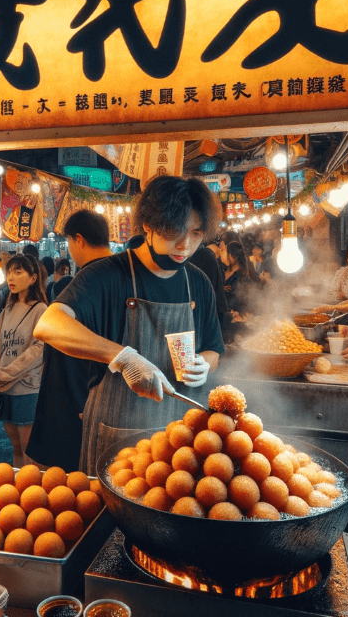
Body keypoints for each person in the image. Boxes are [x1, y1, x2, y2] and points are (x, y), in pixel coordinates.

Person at [33, 175, 224, 475]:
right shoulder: (106, 274)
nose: (185, 245)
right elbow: (48, 324)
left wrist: (205, 365)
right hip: (118, 436)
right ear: (148, 225)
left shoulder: (197, 282)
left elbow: (213, 348)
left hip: (181, 443)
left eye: (196, 233)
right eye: (174, 231)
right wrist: (122, 357)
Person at [28, 209, 113, 470]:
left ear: (78, 240)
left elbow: (49, 327)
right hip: (85, 391)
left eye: (68, 242)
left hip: (77, 393)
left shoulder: (92, 276)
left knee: (71, 475)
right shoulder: (116, 274)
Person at [0, 254, 48, 467]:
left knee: (29, 447)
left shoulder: (41, 309)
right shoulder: (8, 307)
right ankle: (18, 489)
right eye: (9, 272)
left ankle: (32, 493)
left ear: (33, 278)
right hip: (3, 387)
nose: (11, 277)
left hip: (27, 387)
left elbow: (39, 348)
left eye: (18, 272)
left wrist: (6, 372)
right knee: (14, 444)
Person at [222, 241, 254, 344]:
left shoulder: (241, 277)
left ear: (233, 256)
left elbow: (244, 300)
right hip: (223, 318)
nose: (222, 254)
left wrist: (237, 313)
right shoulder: (223, 271)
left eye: (224, 252)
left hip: (235, 322)